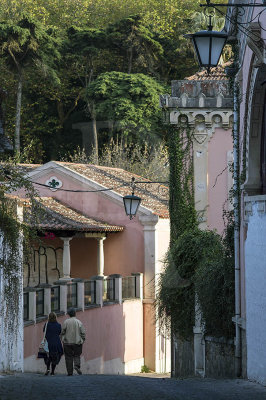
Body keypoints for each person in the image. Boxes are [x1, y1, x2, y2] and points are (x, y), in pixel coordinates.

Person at [61, 308, 86, 376]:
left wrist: (62, 339)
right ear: (75, 313)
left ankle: (69, 372)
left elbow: (62, 332)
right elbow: (83, 332)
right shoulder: (79, 322)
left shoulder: (66, 322)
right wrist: (83, 339)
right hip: (77, 342)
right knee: (77, 355)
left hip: (67, 342)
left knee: (68, 357)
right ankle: (76, 366)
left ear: (69, 314)